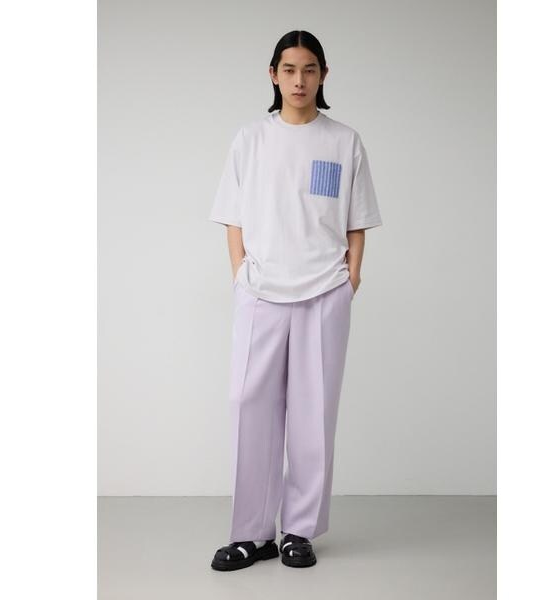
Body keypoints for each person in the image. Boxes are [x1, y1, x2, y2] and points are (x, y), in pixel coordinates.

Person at [208, 30, 382, 571]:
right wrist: (240, 274)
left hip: (325, 290)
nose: (299, 80)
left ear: (323, 75)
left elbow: (356, 221)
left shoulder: (344, 141)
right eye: (289, 69)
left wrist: (350, 279)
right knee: (249, 405)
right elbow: (233, 216)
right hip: (260, 289)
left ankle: (299, 531)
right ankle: (252, 533)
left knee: (313, 412)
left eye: (309, 69)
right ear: (273, 75)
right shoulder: (250, 140)